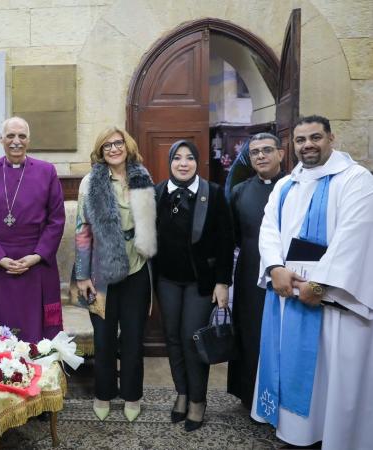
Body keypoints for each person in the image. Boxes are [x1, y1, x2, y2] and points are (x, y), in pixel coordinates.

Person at [252, 115, 373, 450]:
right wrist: (275, 267)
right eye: (301, 140)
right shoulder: (286, 184)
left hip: (333, 303)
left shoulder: (355, 180)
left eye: (315, 137)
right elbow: (269, 230)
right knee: (291, 364)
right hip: (287, 294)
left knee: (330, 377)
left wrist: (318, 285)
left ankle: (332, 437)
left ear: (331, 138)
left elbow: (355, 236)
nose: (307, 145)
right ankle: (294, 434)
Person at [73, 127, 156, 422]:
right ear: (100, 150)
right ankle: (103, 393)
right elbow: (83, 231)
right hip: (100, 272)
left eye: (118, 143)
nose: (113, 149)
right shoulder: (90, 182)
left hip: (137, 267)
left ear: (127, 145)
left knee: (133, 337)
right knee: (104, 338)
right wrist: (82, 276)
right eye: (106, 145)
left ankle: (132, 395)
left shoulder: (142, 177)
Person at [154, 140, 234, 431]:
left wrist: (223, 282)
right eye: (178, 158)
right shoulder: (158, 192)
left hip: (202, 282)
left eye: (189, 158)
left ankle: (198, 400)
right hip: (167, 279)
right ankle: (182, 393)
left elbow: (227, 241)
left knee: (192, 338)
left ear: (197, 162)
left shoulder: (212, 193)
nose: (183, 163)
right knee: (173, 338)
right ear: (170, 162)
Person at [0, 117, 66, 342]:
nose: (16, 141)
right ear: (1, 139)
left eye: (22, 136)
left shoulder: (46, 171)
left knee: (36, 333)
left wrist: (35, 257)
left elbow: (56, 219)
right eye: (11, 136)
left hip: (36, 264)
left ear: (29, 140)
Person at [227, 133, 285, 408]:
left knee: (279, 335)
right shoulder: (239, 191)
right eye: (255, 153)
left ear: (281, 154)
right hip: (250, 270)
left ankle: (280, 399)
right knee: (249, 331)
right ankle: (249, 394)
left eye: (266, 150)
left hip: (286, 272)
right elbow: (235, 235)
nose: (260, 156)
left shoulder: (291, 187)